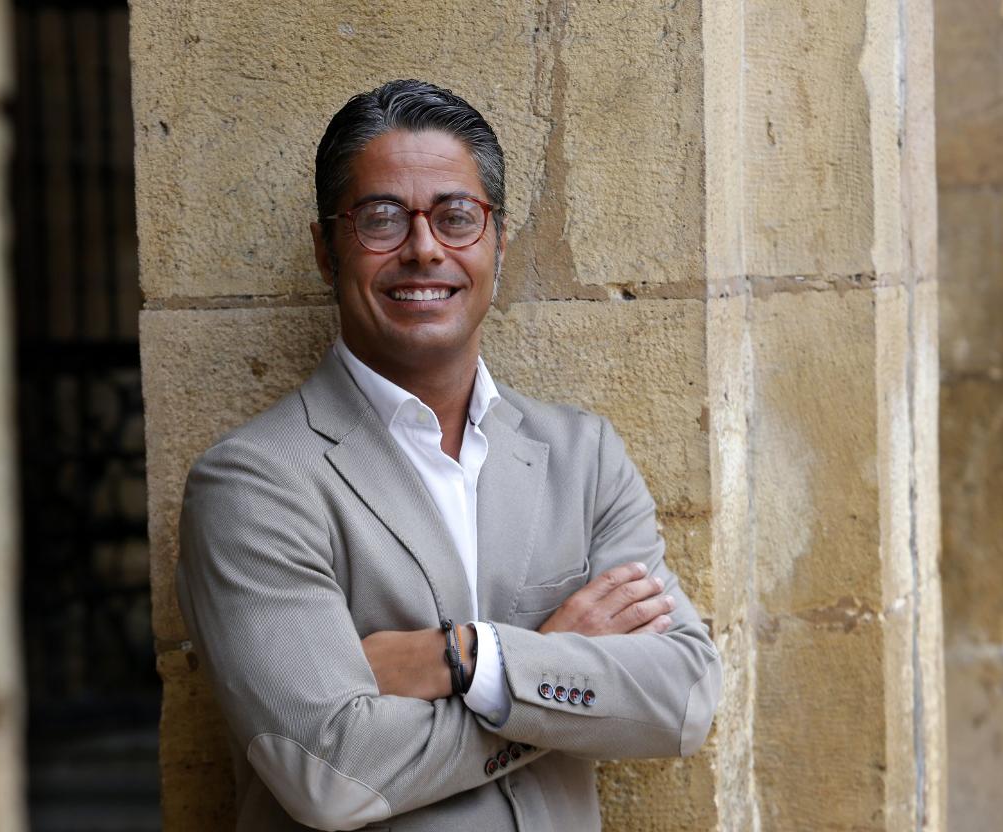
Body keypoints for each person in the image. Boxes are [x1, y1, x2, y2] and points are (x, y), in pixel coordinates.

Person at [176, 79, 722, 832]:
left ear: (499, 241)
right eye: (381, 219)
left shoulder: (582, 455)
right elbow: (331, 775)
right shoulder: (255, 483)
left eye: (457, 217)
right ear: (325, 251)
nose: (425, 248)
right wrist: (564, 670)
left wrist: (471, 657)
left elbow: (683, 699)